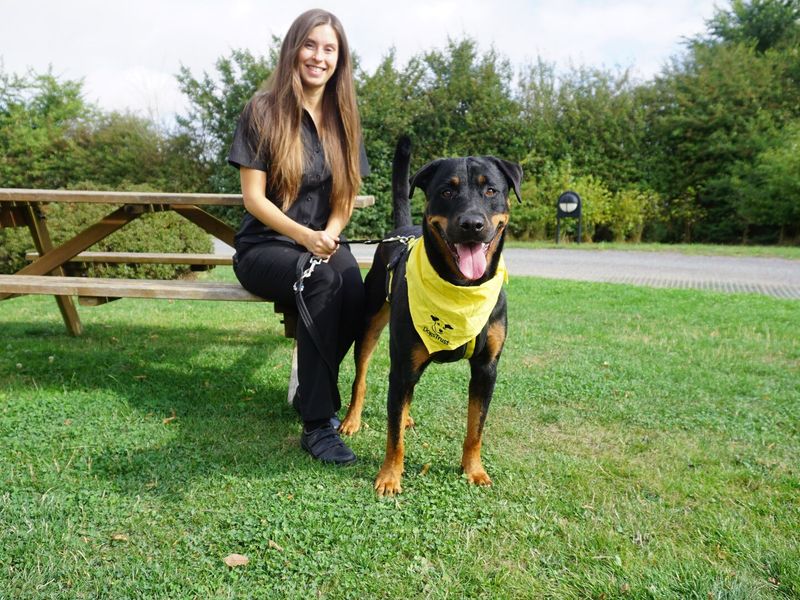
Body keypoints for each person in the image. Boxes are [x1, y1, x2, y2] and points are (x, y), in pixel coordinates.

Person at [227, 9, 368, 465]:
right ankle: (317, 424)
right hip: (265, 247)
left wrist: (327, 233)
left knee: (356, 295)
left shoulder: (344, 117)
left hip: (320, 239)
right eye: (311, 45)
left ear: (339, 59)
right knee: (321, 280)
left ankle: (311, 389)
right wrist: (306, 238)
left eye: (329, 49)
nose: (319, 56)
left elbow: (345, 196)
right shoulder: (262, 110)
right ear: (294, 48)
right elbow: (254, 199)